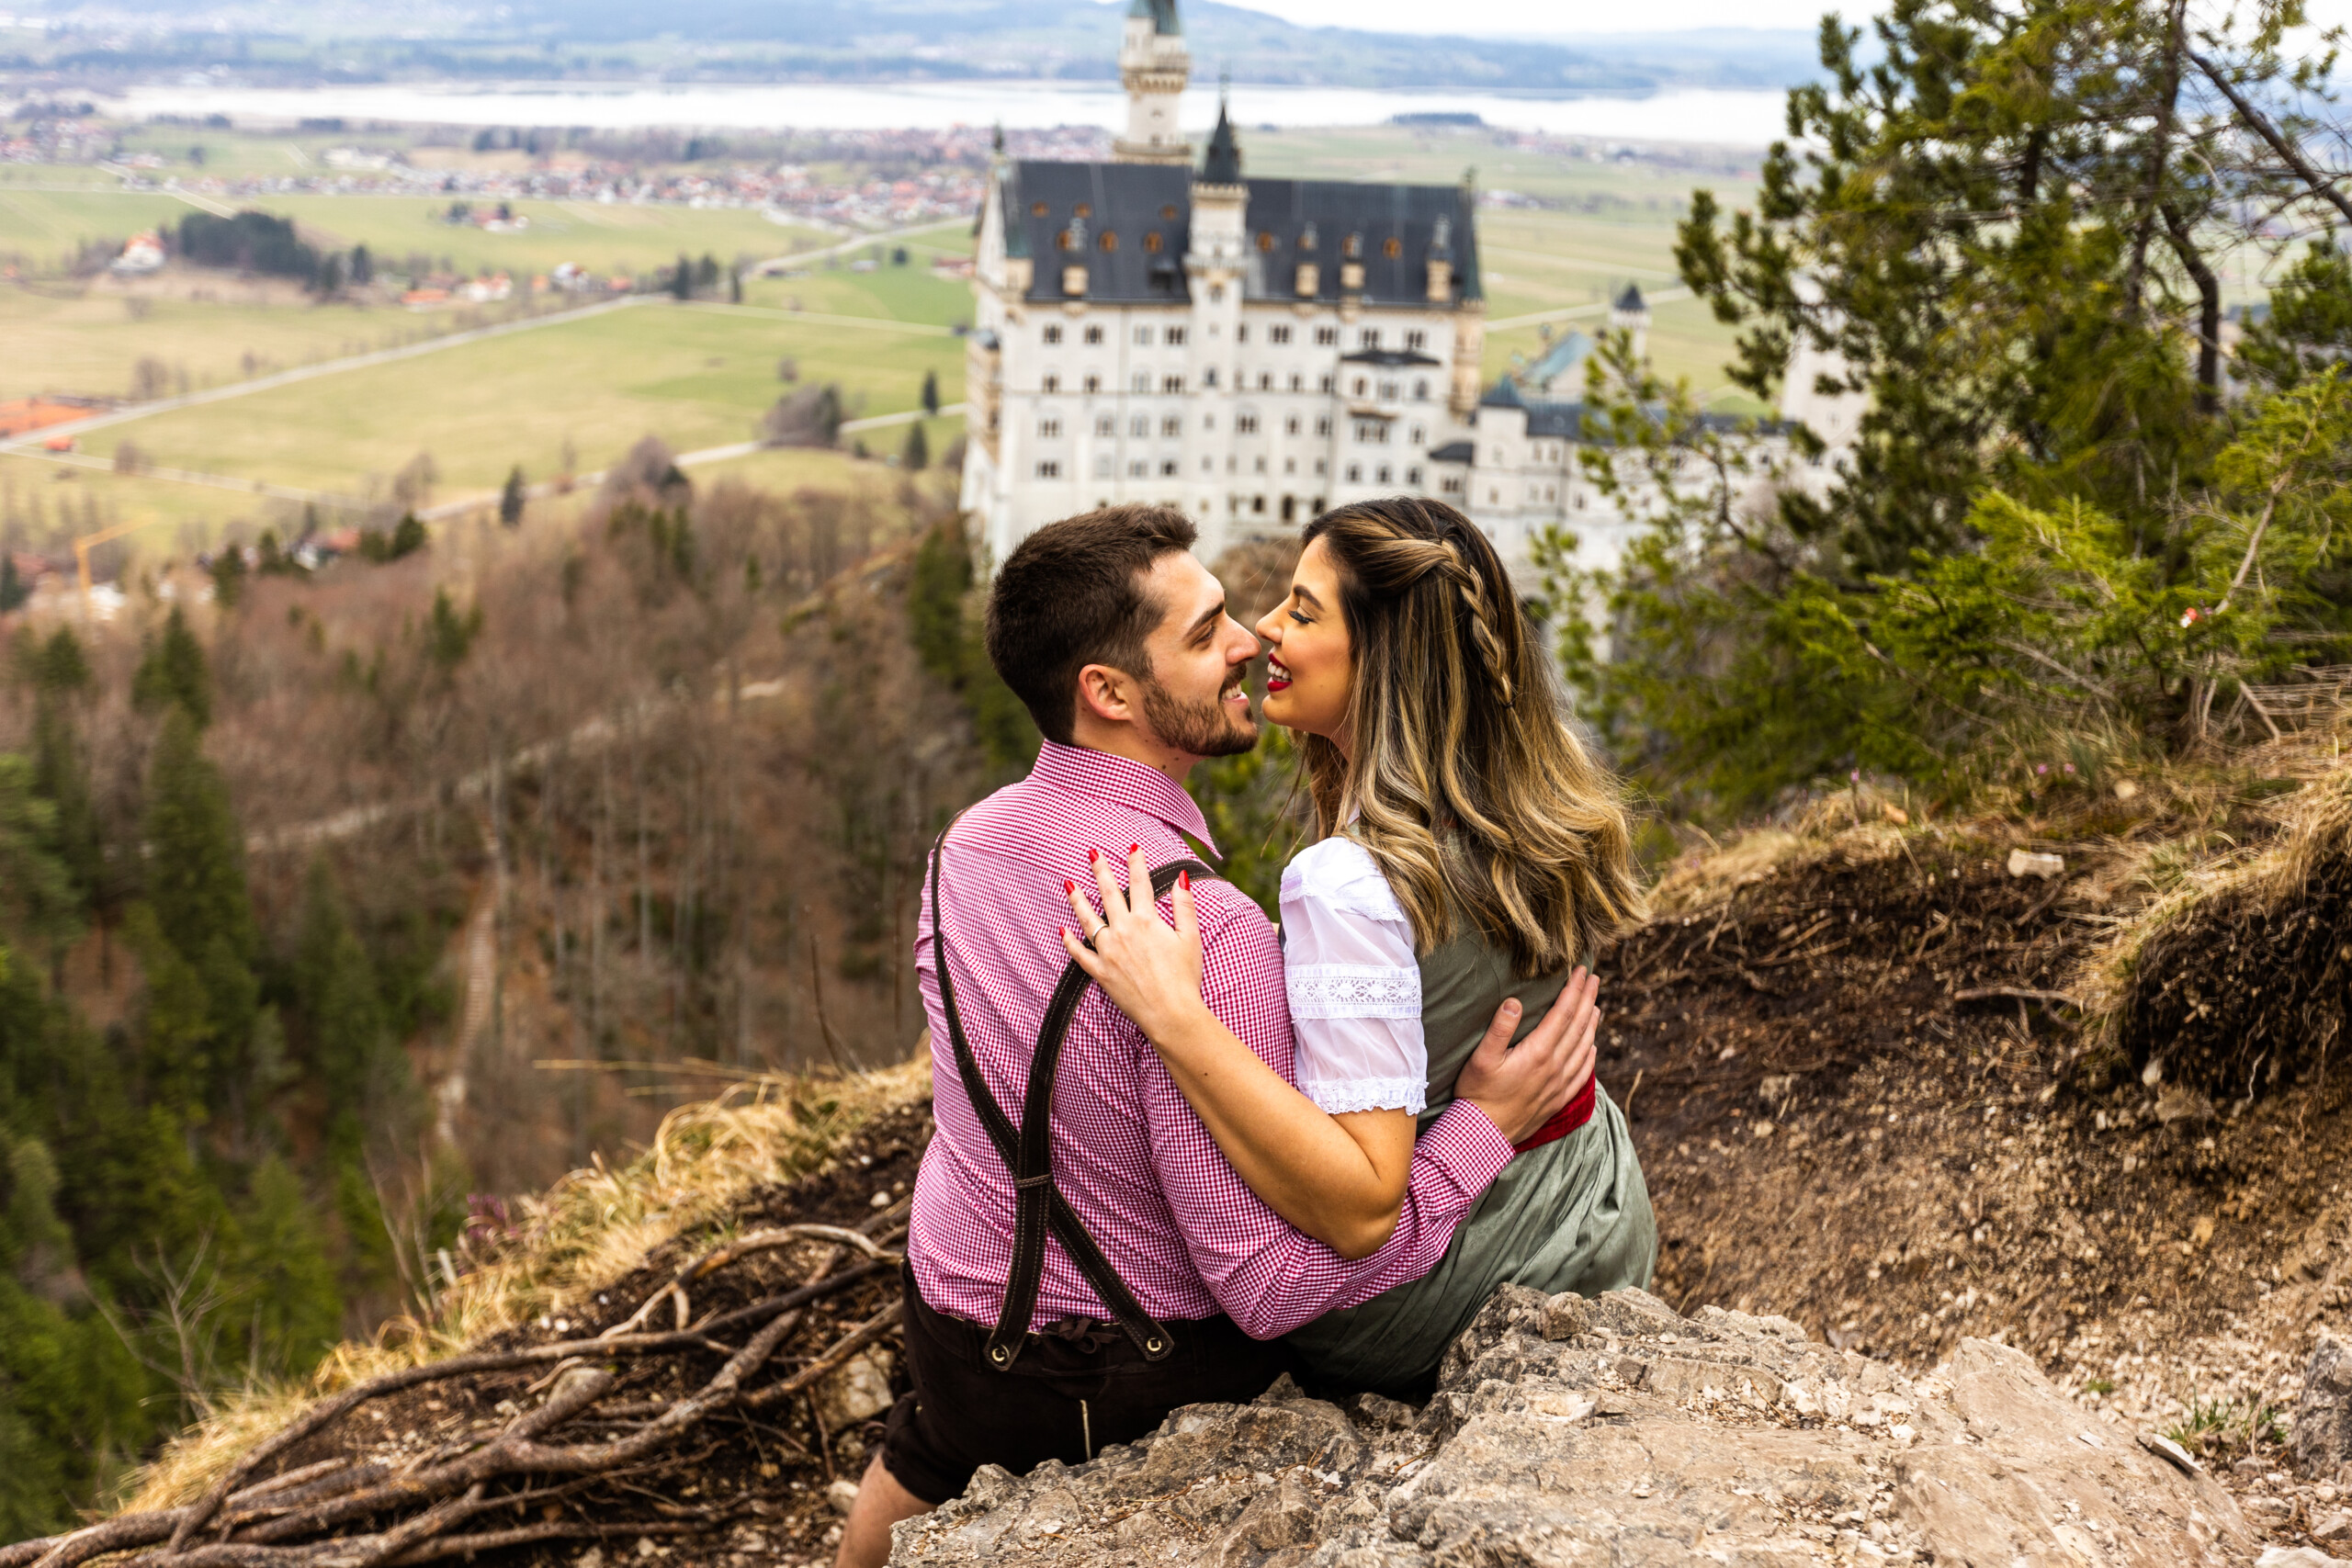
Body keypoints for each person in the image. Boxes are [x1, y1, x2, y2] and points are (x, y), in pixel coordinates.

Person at [834, 504, 1600, 1568]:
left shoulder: (966, 846)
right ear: (1107, 692)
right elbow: (1272, 1284)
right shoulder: (1211, 932)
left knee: (922, 1448)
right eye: (1205, 635)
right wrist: (1479, 1129)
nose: (1247, 641)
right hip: (1120, 1372)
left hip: (948, 1320)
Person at [1063, 496, 1657, 1400]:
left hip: (1438, 1293)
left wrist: (1175, 1017)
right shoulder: (1538, 795)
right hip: (1599, 1208)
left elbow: (1361, 1206)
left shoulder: (1346, 880)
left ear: (1384, 657)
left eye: (1301, 612)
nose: (1264, 631)